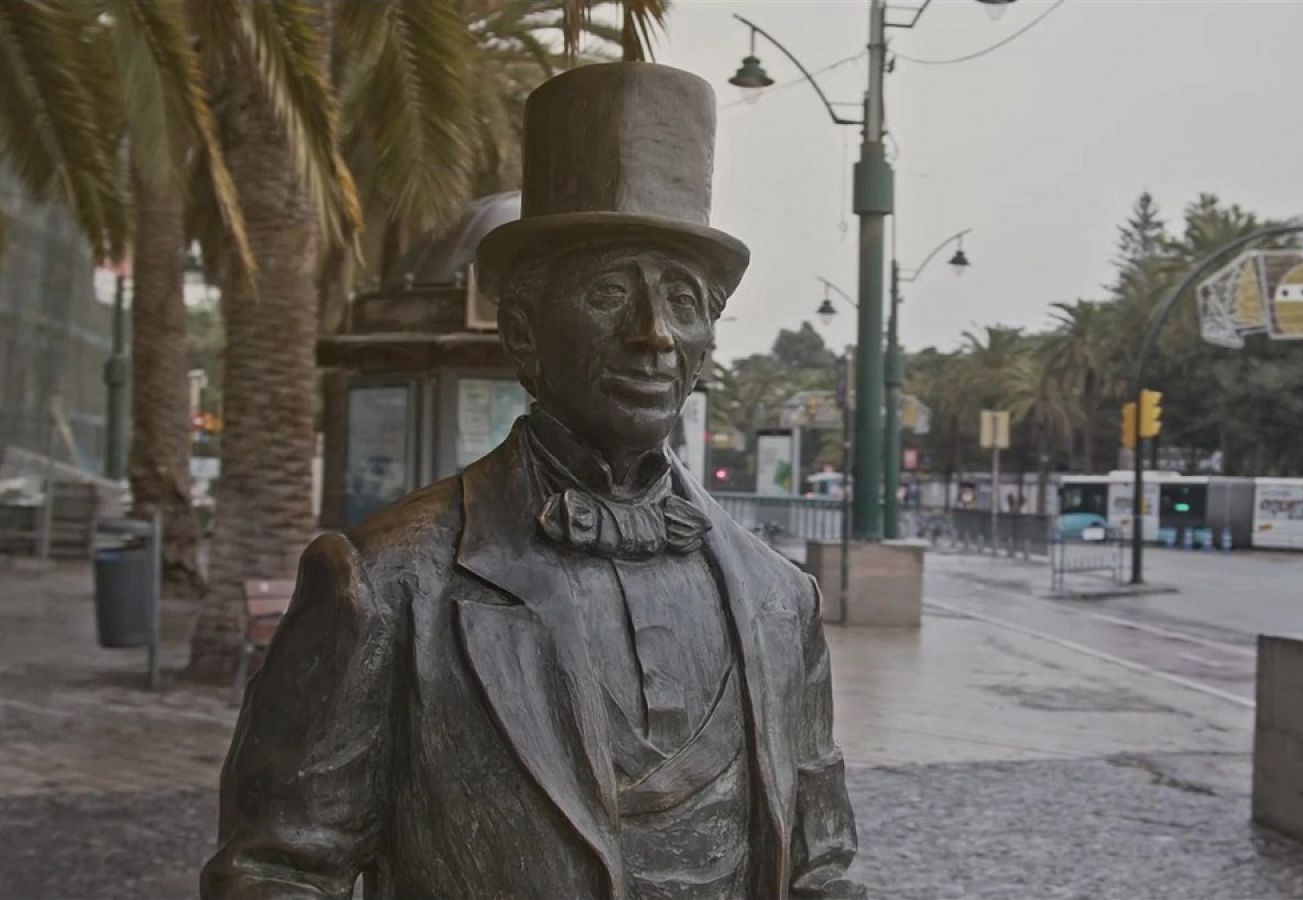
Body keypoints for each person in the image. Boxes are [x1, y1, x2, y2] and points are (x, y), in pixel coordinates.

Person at [203, 63, 861, 900]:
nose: (652, 334)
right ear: (523, 331)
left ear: (706, 351)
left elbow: (821, 865)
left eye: (685, 302)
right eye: (611, 291)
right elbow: (276, 873)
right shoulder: (385, 585)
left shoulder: (780, 600)